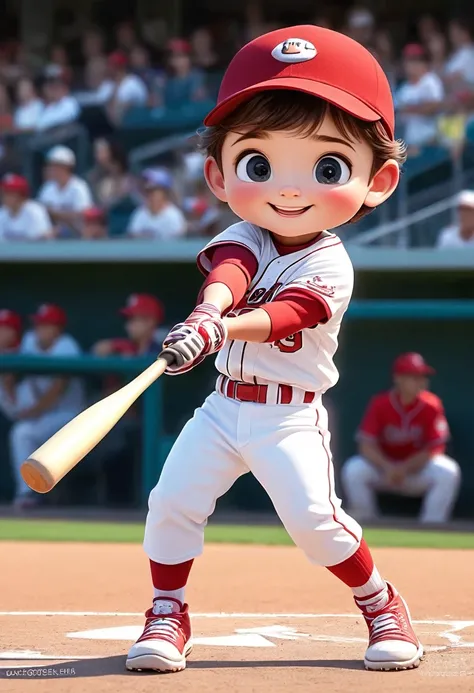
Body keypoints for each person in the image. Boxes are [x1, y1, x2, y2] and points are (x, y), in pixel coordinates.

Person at [125, 25, 424, 676]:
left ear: (379, 180)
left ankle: (380, 602)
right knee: (172, 500)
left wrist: (222, 330)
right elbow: (230, 267)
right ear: (219, 171)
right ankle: (168, 611)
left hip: (288, 415)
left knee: (317, 523)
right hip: (223, 406)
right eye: (259, 165)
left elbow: (290, 311)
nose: (289, 188)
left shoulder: (330, 260)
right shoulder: (245, 232)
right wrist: (207, 311)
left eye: (326, 166)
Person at [342, 353, 461, 524]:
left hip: (415, 472)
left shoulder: (431, 405)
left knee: (448, 472)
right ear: (398, 379)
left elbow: (434, 449)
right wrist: (388, 467)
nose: (421, 381)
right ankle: (367, 524)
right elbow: (366, 445)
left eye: (422, 376)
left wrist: (404, 468)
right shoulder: (380, 403)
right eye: (414, 377)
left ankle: (432, 527)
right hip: (384, 471)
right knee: (354, 469)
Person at [8, 304, 85, 509]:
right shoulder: (29, 341)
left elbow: (58, 388)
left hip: (69, 416)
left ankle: (32, 491)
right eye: (38, 324)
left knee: (24, 432)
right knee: (21, 433)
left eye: (46, 325)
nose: (40, 329)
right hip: (42, 415)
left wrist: (32, 412)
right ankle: (27, 491)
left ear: (57, 328)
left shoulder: (66, 346)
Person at [395, 44, 444, 149]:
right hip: (411, 142)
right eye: (410, 61)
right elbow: (399, 114)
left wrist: (410, 109)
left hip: (432, 140)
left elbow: (435, 107)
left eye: (417, 61)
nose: (413, 65)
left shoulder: (430, 80)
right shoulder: (403, 89)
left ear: (424, 63)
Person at [37, 146, 93, 237]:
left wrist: (55, 214)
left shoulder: (79, 186)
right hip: (54, 233)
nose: (51, 169)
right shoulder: (47, 188)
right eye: (50, 165)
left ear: (66, 167)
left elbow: (82, 216)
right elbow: (42, 214)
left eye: (55, 165)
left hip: (78, 233)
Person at [93, 293, 165, 358]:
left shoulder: (164, 346)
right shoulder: (129, 347)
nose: (128, 325)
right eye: (128, 320)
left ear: (150, 321)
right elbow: (100, 348)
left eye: (133, 319)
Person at [127, 169, 186, 239]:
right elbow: (132, 236)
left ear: (164, 192)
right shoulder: (140, 213)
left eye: (153, 191)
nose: (149, 195)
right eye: (147, 191)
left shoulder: (173, 215)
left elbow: (177, 241)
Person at [0, 174, 52, 241]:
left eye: (9, 193)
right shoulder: (3, 212)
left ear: (21, 195)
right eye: (3, 193)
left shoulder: (35, 211)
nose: (4, 197)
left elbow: (39, 243)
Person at [102, 51, 148, 125]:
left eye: (115, 66)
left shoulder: (133, 82)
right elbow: (101, 104)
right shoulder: (107, 84)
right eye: (110, 65)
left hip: (135, 121)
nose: (111, 69)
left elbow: (126, 106)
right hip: (110, 124)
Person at [87, 138, 133, 209]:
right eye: (97, 152)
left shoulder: (119, 169)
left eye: (102, 151)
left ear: (109, 152)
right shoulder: (93, 174)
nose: (98, 155)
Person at [36, 67, 80, 132]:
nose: (52, 90)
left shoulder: (69, 102)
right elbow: (39, 126)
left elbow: (66, 118)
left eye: (56, 86)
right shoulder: (46, 107)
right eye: (49, 86)